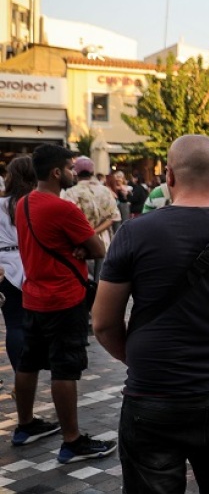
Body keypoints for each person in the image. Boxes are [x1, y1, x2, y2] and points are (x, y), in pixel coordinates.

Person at [93, 135, 209, 492]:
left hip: (153, 394)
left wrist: (135, 357)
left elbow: (103, 323)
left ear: (169, 176)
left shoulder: (134, 233)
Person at [14, 144, 113, 463]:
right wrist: (82, 250)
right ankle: (72, 441)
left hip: (32, 296)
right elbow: (98, 248)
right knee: (64, 367)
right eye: (70, 167)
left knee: (28, 362)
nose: (74, 172)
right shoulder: (63, 209)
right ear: (56, 172)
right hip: (63, 298)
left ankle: (26, 425)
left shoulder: (23, 203)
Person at [0, 157, 33, 374]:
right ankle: (30, 371)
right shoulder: (35, 202)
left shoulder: (1, 204)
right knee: (32, 324)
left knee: (14, 324)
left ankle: (21, 374)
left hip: (5, 268)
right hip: (33, 263)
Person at [61, 156, 120, 274]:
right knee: (101, 280)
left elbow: (68, 219)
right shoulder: (105, 191)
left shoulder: (71, 193)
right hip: (104, 241)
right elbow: (114, 217)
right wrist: (95, 232)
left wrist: (88, 234)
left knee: (84, 279)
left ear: (76, 172)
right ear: (92, 172)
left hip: (80, 243)